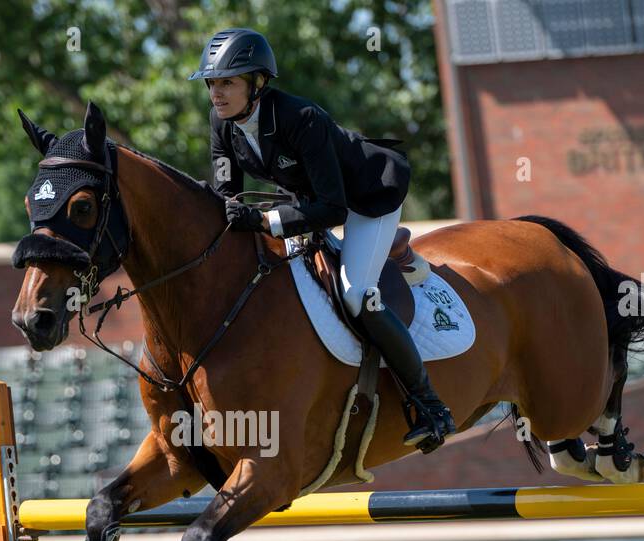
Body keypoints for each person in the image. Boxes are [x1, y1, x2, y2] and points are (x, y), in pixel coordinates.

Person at [190, 27, 455, 452]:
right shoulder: (223, 123)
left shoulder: (301, 118)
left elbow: (333, 209)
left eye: (227, 82)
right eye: (211, 83)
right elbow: (227, 197)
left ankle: (431, 405)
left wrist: (263, 221)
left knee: (355, 294)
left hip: (365, 198)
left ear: (257, 83)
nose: (216, 93)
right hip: (306, 198)